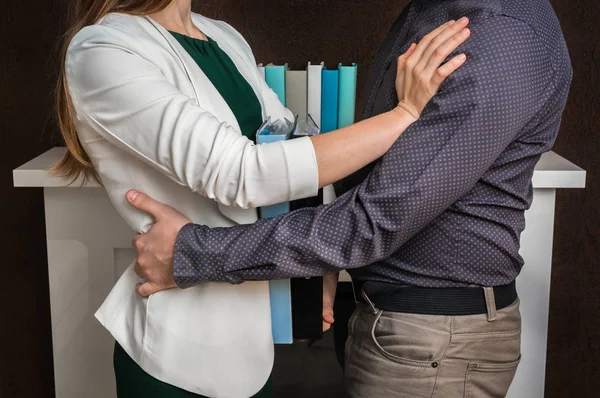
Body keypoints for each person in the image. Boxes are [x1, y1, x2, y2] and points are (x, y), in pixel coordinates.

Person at [127, 0, 573, 397]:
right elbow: (387, 172)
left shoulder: (498, 35)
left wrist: (192, 252)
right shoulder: (436, 10)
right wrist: (330, 261)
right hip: (401, 325)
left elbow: (377, 220)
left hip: (433, 345)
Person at [52, 0, 469, 396]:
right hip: (176, 354)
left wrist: (319, 267)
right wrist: (406, 116)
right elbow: (242, 173)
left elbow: (291, 148)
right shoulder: (102, 49)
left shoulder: (224, 37)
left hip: (252, 348)